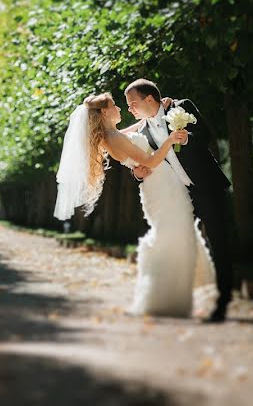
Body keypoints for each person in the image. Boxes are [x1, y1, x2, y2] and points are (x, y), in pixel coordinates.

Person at [54, 92, 217, 317]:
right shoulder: (112, 138)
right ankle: (165, 298)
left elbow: (138, 131)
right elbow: (149, 161)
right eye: (114, 106)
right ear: (104, 112)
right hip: (162, 188)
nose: (120, 109)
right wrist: (170, 140)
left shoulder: (111, 134)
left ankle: (184, 288)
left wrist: (158, 111)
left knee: (178, 232)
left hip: (158, 185)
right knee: (173, 234)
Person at [124, 78, 233, 322]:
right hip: (179, 196)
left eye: (132, 103)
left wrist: (187, 139)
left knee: (219, 243)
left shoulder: (181, 107)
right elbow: (148, 164)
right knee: (177, 243)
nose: (129, 109)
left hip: (208, 188)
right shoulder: (142, 132)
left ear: (149, 99)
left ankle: (223, 303)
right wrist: (137, 174)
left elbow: (205, 134)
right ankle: (179, 299)